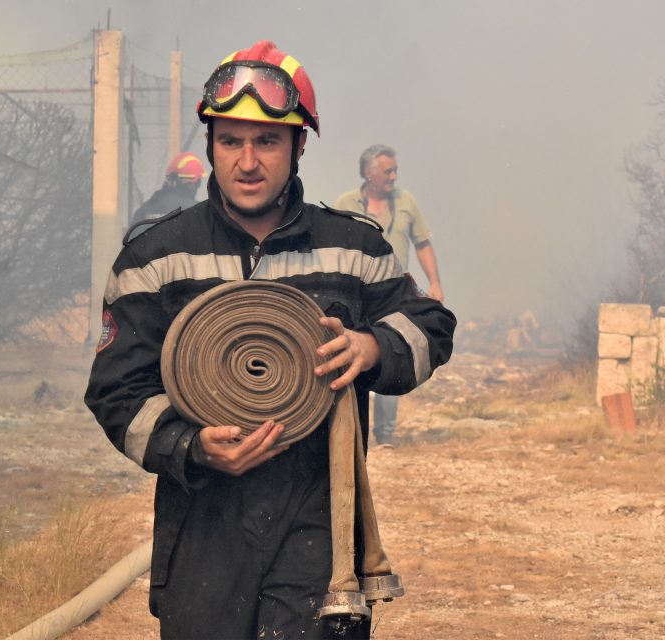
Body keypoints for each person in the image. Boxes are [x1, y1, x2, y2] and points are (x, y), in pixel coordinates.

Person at [85, 40, 455, 640]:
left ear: (299, 146)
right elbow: (115, 392)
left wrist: (370, 349)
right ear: (209, 144)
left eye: (268, 142)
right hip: (202, 523)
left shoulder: (354, 249)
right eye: (230, 141)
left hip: (319, 525)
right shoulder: (155, 258)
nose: (248, 161)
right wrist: (193, 447)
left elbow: (432, 326)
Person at [333, 145, 444, 446]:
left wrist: (434, 283)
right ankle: (352, 428)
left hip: (393, 294)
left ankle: (386, 433)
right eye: (388, 171)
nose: (394, 176)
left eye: (395, 171)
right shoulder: (345, 202)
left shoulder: (406, 202)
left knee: (392, 350)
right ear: (369, 173)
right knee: (357, 356)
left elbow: (422, 243)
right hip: (354, 295)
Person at [129, 151, 205, 224]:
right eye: (198, 182)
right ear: (195, 183)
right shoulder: (198, 212)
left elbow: (133, 235)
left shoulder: (145, 210)